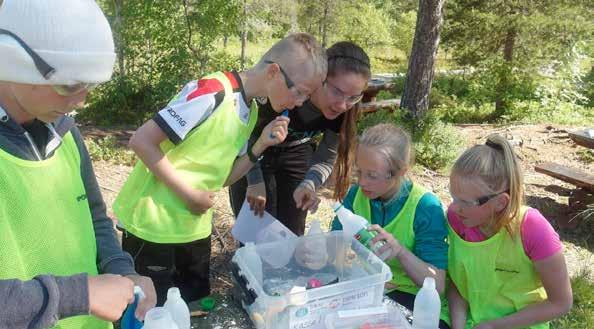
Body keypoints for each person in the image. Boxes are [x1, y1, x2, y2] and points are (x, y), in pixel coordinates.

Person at [113, 33, 327, 304]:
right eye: (299, 92)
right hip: (152, 226)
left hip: (193, 229)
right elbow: (142, 141)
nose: (299, 103)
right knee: (149, 311)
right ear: (274, 71)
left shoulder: (249, 113)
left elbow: (223, 178)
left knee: (194, 307)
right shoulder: (212, 92)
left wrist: (260, 145)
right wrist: (189, 195)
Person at [0, 1, 156, 328]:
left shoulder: (66, 132)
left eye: (89, 85)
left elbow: (96, 218)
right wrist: (78, 294)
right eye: (69, 85)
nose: (82, 99)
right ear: (13, 60)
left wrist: (123, 271)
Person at [229, 41, 369, 236]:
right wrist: (254, 180)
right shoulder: (283, 92)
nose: (343, 105)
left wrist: (309, 183)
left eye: (353, 97)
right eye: (337, 91)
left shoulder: (343, 109)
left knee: (292, 232)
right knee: (256, 234)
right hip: (255, 152)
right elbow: (244, 137)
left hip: (297, 152)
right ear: (320, 78)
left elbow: (327, 156)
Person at [331, 123, 451, 328]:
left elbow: (437, 284)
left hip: (413, 298)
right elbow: (334, 246)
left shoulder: (425, 207)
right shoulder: (355, 196)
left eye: (372, 175)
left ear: (400, 172)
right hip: (365, 289)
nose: (362, 182)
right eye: (359, 172)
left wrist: (400, 251)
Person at [447, 134, 572, 329]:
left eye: (465, 202)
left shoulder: (533, 229)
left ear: (500, 202)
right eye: (453, 197)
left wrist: (493, 326)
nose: (454, 207)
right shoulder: (457, 219)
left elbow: (561, 303)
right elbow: (457, 284)